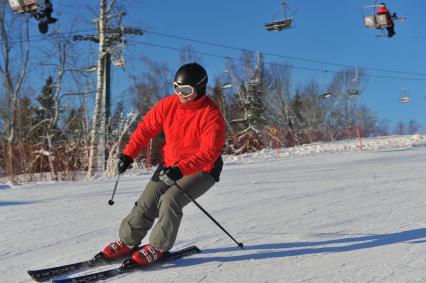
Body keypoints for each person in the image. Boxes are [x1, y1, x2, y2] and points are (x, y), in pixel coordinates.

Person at [102, 63, 225, 266]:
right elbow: (145, 129)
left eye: (186, 90)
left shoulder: (211, 115)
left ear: (200, 89)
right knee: (147, 203)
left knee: (170, 200)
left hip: (203, 169)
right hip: (171, 164)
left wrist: (181, 170)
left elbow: (209, 153)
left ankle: (158, 246)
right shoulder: (168, 105)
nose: (180, 94)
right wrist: (128, 154)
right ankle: (127, 241)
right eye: (176, 88)